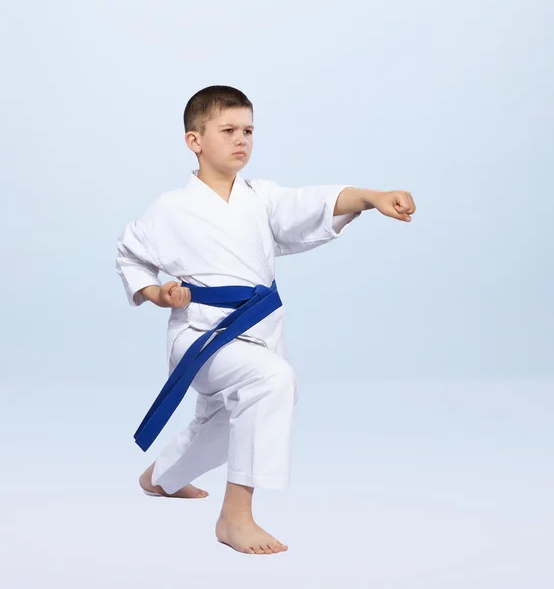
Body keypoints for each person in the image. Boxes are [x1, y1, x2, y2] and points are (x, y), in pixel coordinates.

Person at [115, 85, 416, 555]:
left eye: (249, 131)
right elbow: (130, 254)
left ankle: (161, 477)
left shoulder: (260, 198)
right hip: (200, 335)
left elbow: (312, 203)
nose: (242, 140)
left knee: (226, 424)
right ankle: (236, 516)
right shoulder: (170, 208)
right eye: (229, 130)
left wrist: (371, 196)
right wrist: (156, 293)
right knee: (274, 383)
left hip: (258, 330)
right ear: (194, 140)